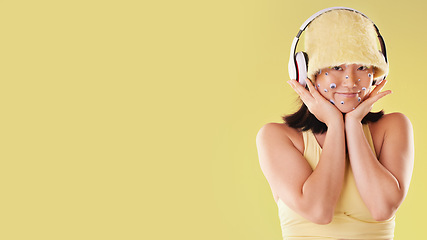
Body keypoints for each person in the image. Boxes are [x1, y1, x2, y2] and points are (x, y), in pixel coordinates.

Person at [256, 7, 414, 240]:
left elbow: (382, 208)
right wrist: (334, 123)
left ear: (376, 73)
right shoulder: (275, 137)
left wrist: (353, 125)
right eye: (337, 67)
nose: (350, 82)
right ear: (307, 73)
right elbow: (319, 211)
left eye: (362, 67)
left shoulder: (394, 126)